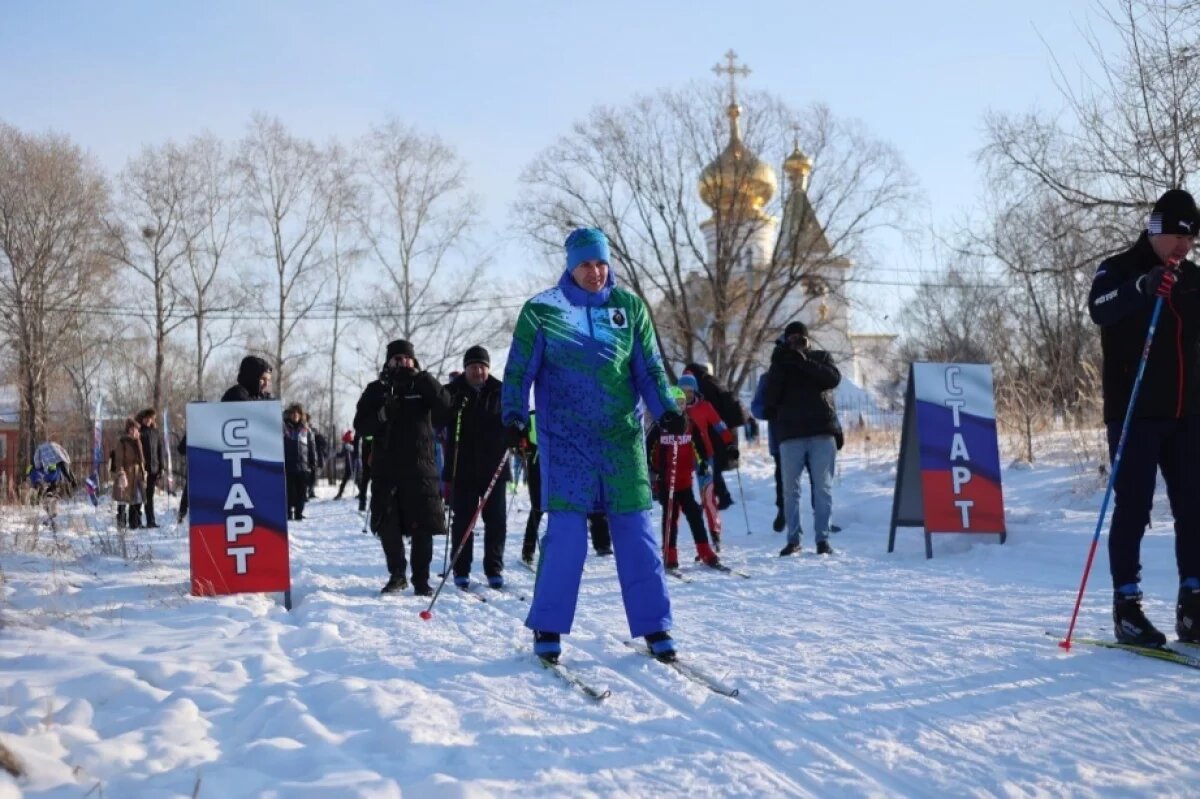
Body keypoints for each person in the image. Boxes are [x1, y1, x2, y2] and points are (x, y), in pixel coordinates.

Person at [503, 226, 683, 664]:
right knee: (566, 537)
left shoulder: (628, 307)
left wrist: (666, 408)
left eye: (601, 262)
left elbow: (649, 369)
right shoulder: (542, 311)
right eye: (585, 264)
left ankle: (655, 625)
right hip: (566, 440)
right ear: (570, 266)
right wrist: (513, 415)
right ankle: (548, 625)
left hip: (621, 439)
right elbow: (519, 371)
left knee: (637, 533)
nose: (595, 271)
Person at [1088, 187, 1200, 646]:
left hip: (1186, 413)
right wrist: (1142, 288)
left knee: (1193, 506)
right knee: (1134, 507)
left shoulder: (1193, 278)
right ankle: (1127, 607)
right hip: (1134, 412)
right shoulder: (1118, 269)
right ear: (1156, 230)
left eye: (1191, 239)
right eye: (1178, 236)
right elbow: (1099, 309)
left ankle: (1193, 603)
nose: (1184, 246)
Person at [355, 339, 452, 596]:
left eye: (406, 358)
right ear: (388, 362)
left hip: (420, 470)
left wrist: (425, 380)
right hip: (386, 470)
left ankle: (422, 580)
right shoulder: (376, 390)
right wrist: (382, 415)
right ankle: (397, 574)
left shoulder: (423, 385)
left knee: (423, 528)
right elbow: (361, 426)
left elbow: (446, 409)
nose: (402, 362)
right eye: (396, 358)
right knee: (388, 525)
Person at [765, 321, 841, 557]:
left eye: (801, 338)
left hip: (822, 431)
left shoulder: (820, 357)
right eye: (791, 339)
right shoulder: (781, 364)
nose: (796, 343)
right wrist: (780, 364)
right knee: (790, 490)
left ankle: (823, 539)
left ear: (809, 341)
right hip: (791, 435)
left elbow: (833, 379)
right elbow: (770, 398)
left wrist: (804, 362)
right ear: (785, 342)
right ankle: (793, 539)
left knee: (823, 488)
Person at [443, 345, 510, 589]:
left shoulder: (501, 390)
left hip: (494, 468)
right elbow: (438, 419)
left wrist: (516, 432)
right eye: (473, 367)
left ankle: (494, 568)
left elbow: (514, 417)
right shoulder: (452, 391)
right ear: (465, 369)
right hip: (463, 468)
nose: (478, 371)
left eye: (482, 367)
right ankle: (461, 569)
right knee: (463, 521)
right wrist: (452, 408)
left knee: (496, 521)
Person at [519, 410, 613, 565]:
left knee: (582, 501)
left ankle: (601, 544)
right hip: (540, 465)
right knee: (538, 506)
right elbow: (519, 439)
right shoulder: (533, 417)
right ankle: (528, 549)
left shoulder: (571, 411)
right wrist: (521, 444)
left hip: (567, 463)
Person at [648, 386, 721, 570]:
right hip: (665, 480)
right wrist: (651, 469)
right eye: (675, 403)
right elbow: (647, 447)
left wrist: (702, 463)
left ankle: (704, 550)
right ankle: (669, 553)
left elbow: (699, 445)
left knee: (694, 513)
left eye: (682, 403)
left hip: (684, 480)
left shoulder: (689, 423)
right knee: (671, 515)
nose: (679, 406)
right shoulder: (660, 425)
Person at [677, 373, 734, 549]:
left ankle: (715, 534)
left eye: (690, 391)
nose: (687, 395)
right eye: (683, 391)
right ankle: (680, 540)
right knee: (682, 499)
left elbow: (719, 425)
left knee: (708, 496)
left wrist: (730, 443)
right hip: (682, 458)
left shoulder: (704, 407)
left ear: (695, 391)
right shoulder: (675, 408)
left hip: (704, 456)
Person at [682, 363, 744, 509]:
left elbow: (706, 409)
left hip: (712, 431)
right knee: (711, 466)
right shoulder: (713, 380)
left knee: (709, 466)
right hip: (720, 429)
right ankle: (718, 497)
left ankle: (718, 498)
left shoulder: (702, 385)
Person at [751, 371, 786, 532]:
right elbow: (756, 406)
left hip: (806, 435)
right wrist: (767, 411)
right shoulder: (768, 378)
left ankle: (820, 515)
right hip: (780, 437)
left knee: (816, 477)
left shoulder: (804, 371)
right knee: (782, 477)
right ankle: (782, 510)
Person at [110, 417, 146, 530]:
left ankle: (134, 522)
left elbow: (142, 458)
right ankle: (121, 524)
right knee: (122, 500)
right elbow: (119, 459)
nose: (134, 431)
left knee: (136, 499)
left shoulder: (138, 442)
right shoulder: (123, 442)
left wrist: (138, 442)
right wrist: (121, 473)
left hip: (136, 474)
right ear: (128, 430)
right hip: (126, 473)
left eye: (136, 429)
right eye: (132, 429)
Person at [283, 403, 317, 521]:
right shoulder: (284, 428)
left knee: (302, 492)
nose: (295, 415)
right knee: (289, 492)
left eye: (297, 413)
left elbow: (312, 447)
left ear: (301, 415)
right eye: (293, 413)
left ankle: (299, 513)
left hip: (303, 466)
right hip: (288, 465)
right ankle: (288, 513)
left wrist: (313, 463)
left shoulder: (306, 430)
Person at [134, 409, 166, 528]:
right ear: (142, 419)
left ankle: (150, 520)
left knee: (149, 496)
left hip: (153, 468)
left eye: (150, 418)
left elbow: (160, 450)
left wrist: (161, 467)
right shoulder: (139, 432)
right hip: (143, 469)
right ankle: (136, 521)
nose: (148, 420)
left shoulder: (155, 432)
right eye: (146, 418)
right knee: (139, 495)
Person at [333, 430, 357, 499]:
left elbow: (357, 453)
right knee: (344, 480)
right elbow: (342, 454)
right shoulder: (345, 446)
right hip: (348, 466)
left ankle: (362, 492)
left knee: (357, 479)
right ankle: (340, 494)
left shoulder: (353, 444)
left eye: (345, 440)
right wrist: (336, 454)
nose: (344, 442)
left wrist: (352, 449)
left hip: (353, 465)